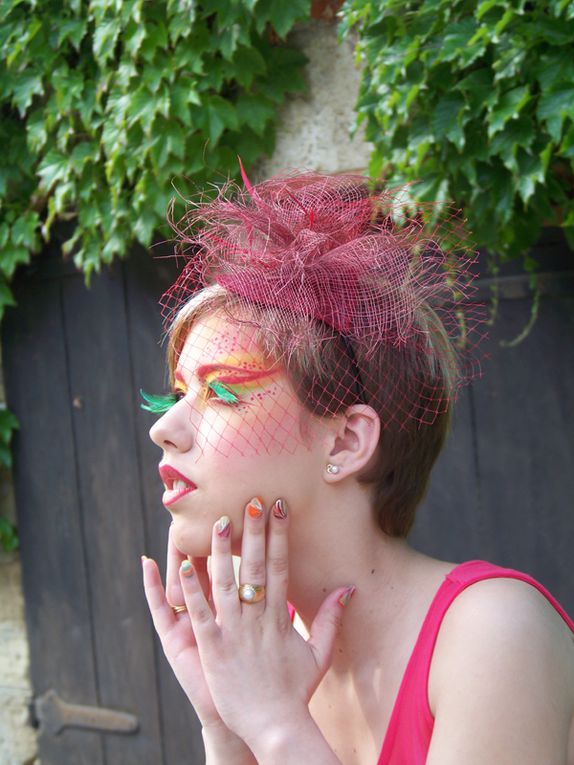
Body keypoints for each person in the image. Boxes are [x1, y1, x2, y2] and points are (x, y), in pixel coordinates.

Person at [141, 169, 574, 764]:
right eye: (178, 395)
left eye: (224, 393)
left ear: (345, 442)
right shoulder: (268, 660)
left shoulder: (493, 634)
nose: (163, 429)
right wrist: (225, 725)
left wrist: (274, 728)